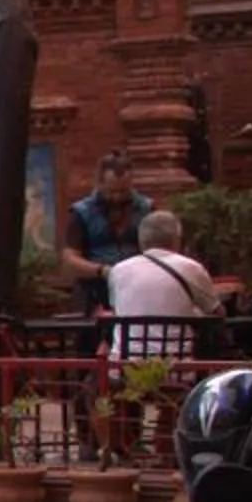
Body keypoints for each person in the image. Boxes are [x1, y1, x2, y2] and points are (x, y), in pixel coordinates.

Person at [104, 209, 218, 355]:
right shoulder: (191, 268)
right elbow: (217, 313)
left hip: (125, 366)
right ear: (176, 239)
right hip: (178, 366)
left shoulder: (118, 270)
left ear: (141, 241)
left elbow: (117, 311)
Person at [63, 151, 153, 316]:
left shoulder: (146, 208)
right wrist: (102, 270)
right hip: (94, 289)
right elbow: (70, 260)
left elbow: (159, 252)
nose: (117, 197)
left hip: (137, 287)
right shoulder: (82, 212)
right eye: (112, 191)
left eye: (123, 191)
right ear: (100, 183)